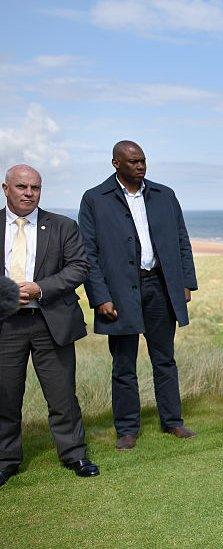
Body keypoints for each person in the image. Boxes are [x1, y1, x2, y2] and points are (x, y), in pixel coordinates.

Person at [78, 141, 198, 451]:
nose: (140, 166)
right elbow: (88, 254)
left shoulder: (164, 195)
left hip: (159, 287)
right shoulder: (95, 199)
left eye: (142, 160)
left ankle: (172, 422)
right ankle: (127, 430)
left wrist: (185, 281)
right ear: (116, 163)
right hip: (118, 294)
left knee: (164, 360)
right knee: (123, 364)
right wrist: (100, 296)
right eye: (132, 161)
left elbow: (182, 240)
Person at [0, 164, 98, 487]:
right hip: (6, 326)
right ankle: (6, 460)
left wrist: (39, 288)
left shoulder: (63, 226)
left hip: (49, 321)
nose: (29, 193)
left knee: (62, 395)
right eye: (22, 187)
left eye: (35, 188)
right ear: (6, 189)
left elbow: (79, 267)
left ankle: (75, 454)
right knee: (5, 395)